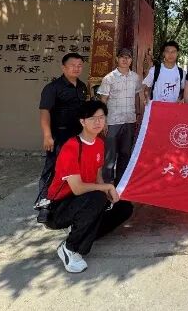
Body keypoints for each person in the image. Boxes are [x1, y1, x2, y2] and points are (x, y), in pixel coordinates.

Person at [46, 100, 133, 273]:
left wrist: (109, 196)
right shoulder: (71, 147)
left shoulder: (99, 144)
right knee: (97, 197)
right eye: (92, 118)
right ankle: (70, 247)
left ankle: (84, 232)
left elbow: (98, 177)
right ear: (82, 121)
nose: (98, 122)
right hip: (59, 208)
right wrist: (105, 188)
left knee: (124, 208)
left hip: (82, 200)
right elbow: (77, 188)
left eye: (101, 117)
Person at [35, 53, 88, 210]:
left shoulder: (82, 87)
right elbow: (45, 112)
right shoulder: (53, 88)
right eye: (72, 65)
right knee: (53, 167)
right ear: (63, 67)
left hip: (77, 135)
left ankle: (67, 197)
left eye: (79, 65)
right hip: (59, 134)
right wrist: (47, 136)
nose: (76, 68)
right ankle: (44, 201)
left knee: (75, 167)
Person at [97, 48, 143, 185]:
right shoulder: (109, 78)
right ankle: (107, 183)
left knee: (125, 153)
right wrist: (103, 120)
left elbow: (137, 96)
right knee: (110, 155)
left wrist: (137, 114)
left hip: (129, 120)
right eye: (122, 57)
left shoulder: (135, 78)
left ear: (131, 60)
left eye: (128, 57)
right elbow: (103, 100)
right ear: (117, 58)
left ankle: (121, 182)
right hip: (113, 121)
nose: (125, 60)